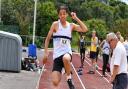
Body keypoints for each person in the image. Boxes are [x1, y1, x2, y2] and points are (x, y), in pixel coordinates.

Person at [43, 5, 88, 89]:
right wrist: (46, 52)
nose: (62, 15)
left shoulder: (71, 26)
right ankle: (64, 69)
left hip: (67, 53)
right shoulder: (55, 25)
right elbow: (47, 39)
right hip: (57, 56)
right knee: (55, 82)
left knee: (66, 59)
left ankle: (69, 78)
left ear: (67, 14)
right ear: (58, 15)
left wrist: (76, 18)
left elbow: (85, 29)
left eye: (64, 13)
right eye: (60, 14)